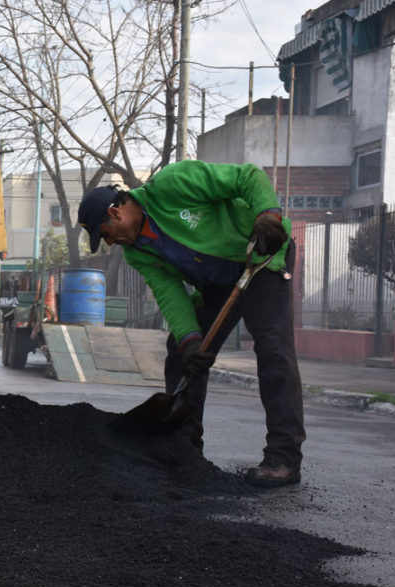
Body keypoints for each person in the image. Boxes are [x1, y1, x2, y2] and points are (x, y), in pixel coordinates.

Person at [78, 161, 304, 488]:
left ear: (115, 214)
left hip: (262, 257)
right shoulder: (137, 253)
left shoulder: (171, 184)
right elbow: (170, 293)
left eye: (106, 236)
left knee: (273, 350)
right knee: (182, 354)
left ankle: (284, 458)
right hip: (218, 284)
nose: (110, 244)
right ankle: (185, 448)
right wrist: (190, 340)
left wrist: (267, 215)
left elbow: (246, 176)